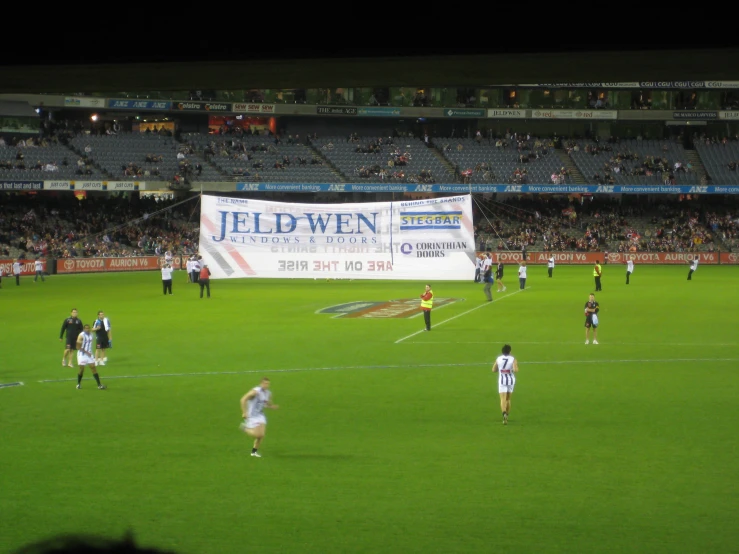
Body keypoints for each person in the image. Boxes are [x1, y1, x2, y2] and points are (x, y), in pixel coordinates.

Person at [240, 377, 279, 457]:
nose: (266, 385)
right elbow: (243, 399)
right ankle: (245, 428)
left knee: (261, 435)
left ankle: (254, 452)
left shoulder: (268, 393)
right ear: (261, 383)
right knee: (258, 435)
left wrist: (272, 406)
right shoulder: (255, 392)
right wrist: (244, 412)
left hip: (260, 415)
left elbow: (266, 403)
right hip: (252, 416)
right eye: (265, 383)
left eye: (268, 384)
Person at [492, 344, 518, 425]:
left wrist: (501, 369)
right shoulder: (513, 359)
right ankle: (507, 415)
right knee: (508, 399)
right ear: (510, 351)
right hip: (510, 380)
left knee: (502, 399)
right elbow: (516, 370)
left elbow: (493, 370)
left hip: (502, 381)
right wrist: (511, 369)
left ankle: (504, 413)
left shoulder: (498, 359)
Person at [76, 324, 106, 389]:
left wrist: (97, 328)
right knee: (81, 369)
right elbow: (78, 347)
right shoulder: (81, 335)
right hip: (82, 355)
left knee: (93, 368)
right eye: (86, 328)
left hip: (89, 354)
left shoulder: (91, 334)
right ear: (84, 329)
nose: (87, 329)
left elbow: (93, 330)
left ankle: (99, 385)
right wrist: (86, 352)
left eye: (88, 328)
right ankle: (78, 384)